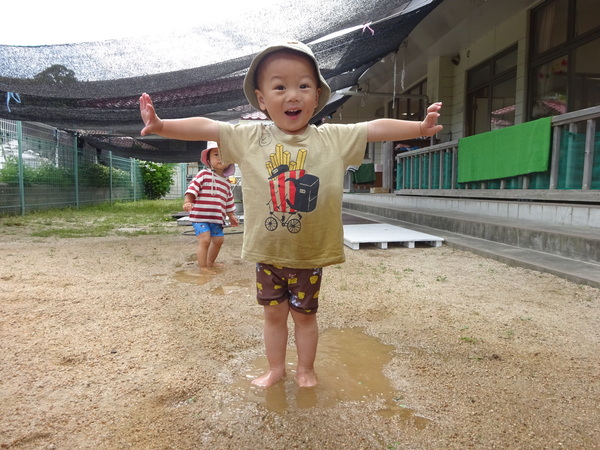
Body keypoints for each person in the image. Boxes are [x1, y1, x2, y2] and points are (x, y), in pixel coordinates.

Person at [140, 40, 442, 388]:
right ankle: (276, 369)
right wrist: (162, 125)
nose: (293, 95)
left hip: (308, 255)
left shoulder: (332, 139)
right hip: (269, 254)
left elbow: (374, 128)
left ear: (317, 96)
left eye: (303, 85)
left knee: (305, 317)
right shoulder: (250, 137)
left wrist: (418, 129)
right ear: (262, 99)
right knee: (273, 316)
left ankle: (305, 370)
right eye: (280, 86)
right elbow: (208, 127)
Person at [183, 141, 239, 274]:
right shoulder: (203, 175)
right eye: (216, 155)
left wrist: (231, 215)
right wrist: (187, 201)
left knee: (219, 240)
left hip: (216, 219)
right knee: (205, 240)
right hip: (200, 216)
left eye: (224, 156)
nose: (220, 158)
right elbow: (192, 188)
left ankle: (210, 262)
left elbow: (228, 201)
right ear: (208, 159)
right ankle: (203, 267)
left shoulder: (226, 183)